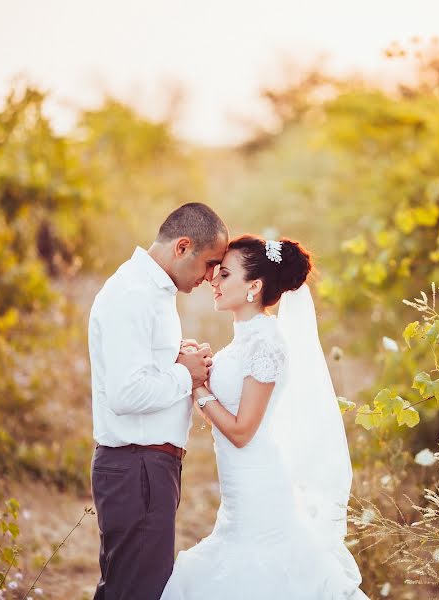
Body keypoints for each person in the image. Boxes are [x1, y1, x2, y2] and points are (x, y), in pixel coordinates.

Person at [160, 234, 369, 600]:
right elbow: (229, 396)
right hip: (241, 490)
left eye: (225, 275)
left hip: (260, 488)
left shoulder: (266, 343)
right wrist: (202, 364)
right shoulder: (245, 339)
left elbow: (242, 431)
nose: (213, 280)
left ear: (254, 286)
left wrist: (198, 388)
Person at [87, 202, 228, 600]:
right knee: (137, 591)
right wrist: (187, 374)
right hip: (138, 466)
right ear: (182, 247)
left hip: (147, 467)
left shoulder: (153, 291)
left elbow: (139, 372)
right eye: (210, 263)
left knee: (127, 588)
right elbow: (125, 394)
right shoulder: (133, 294)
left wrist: (174, 359)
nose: (212, 276)